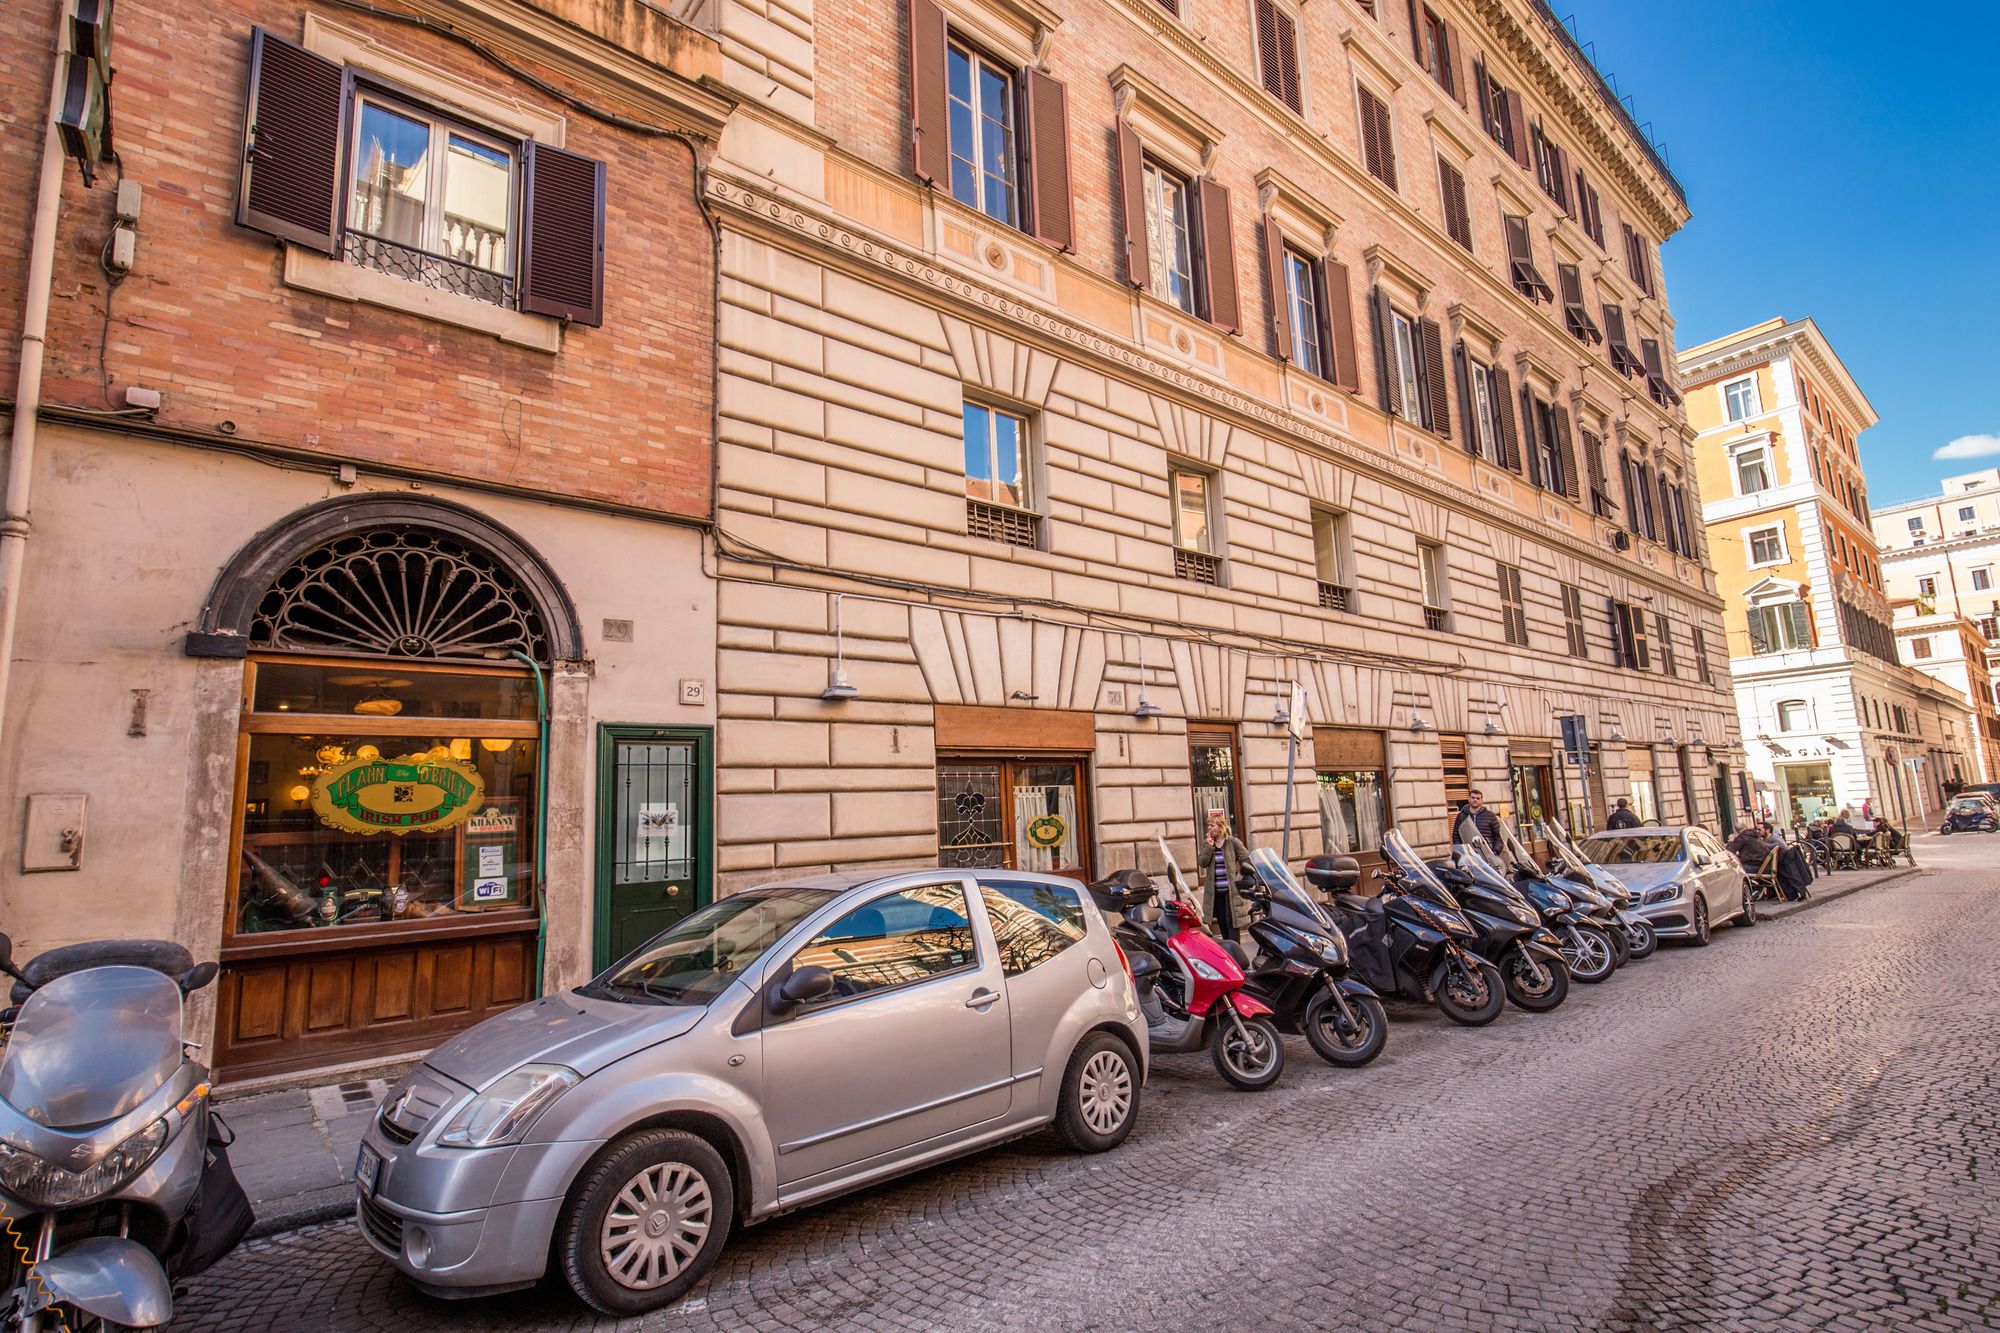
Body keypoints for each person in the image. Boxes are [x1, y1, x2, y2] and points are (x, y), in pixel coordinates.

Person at [1198, 809, 1253, 941]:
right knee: (1222, 922)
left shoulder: (1233, 842)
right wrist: (1209, 847)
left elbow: (1246, 860)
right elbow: (1202, 863)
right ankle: (1228, 949)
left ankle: (1235, 950)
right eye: (1208, 825)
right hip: (1216, 892)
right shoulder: (1207, 844)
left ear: (1220, 827)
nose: (1209, 828)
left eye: (1212, 825)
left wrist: (1240, 879)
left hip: (1231, 891)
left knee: (1232, 923)